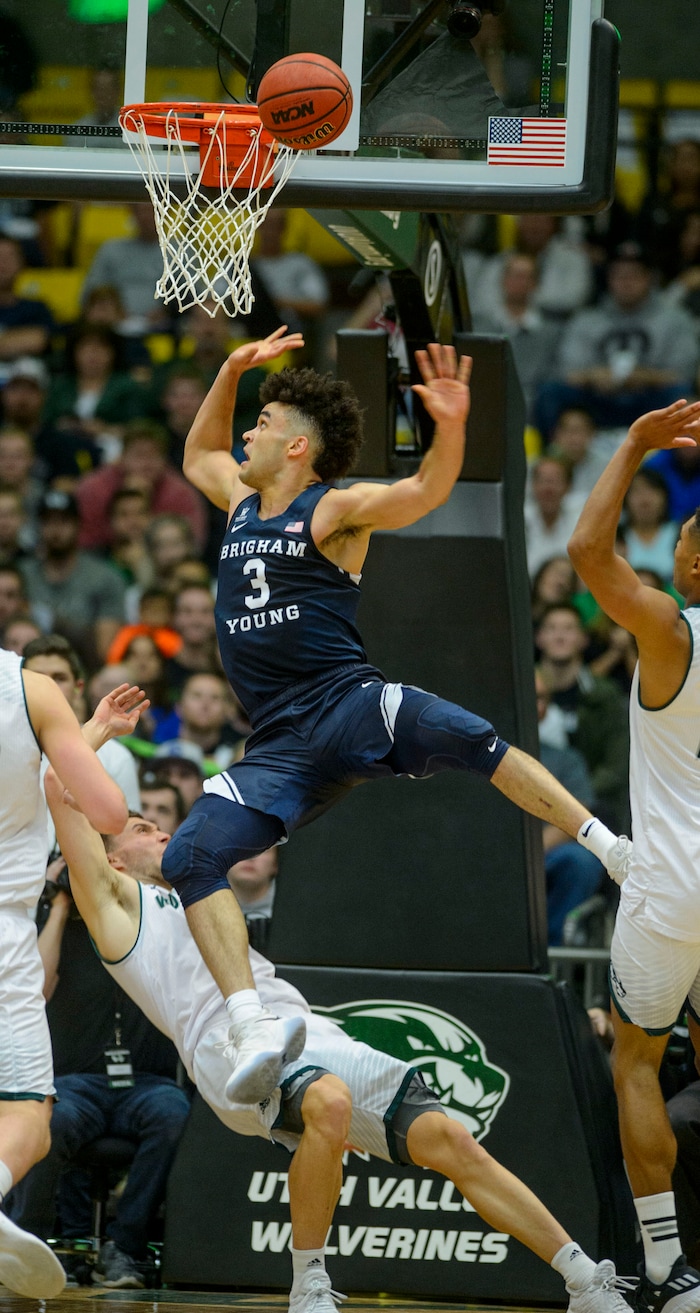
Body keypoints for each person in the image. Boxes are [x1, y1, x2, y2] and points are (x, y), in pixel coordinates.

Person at [162, 329, 632, 1104]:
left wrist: (449, 429)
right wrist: (230, 369)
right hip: (277, 741)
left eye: (264, 420)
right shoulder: (241, 501)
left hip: (347, 704)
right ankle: (251, 1022)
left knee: (476, 740)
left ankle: (613, 851)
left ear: (299, 446)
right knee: (189, 855)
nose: (248, 429)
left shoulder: (333, 510)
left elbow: (422, 494)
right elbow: (196, 453)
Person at [45, 765, 632, 1313]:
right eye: (145, 830)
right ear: (115, 862)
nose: (162, 832)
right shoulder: (121, 910)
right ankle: (309, 1282)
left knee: (453, 1140)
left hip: (305, 1029)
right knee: (329, 1103)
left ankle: (582, 1278)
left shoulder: (198, 884)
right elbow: (59, 792)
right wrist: (91, 740)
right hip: (226, 1045)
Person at [567, 394, 700, 1313]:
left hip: (671, 890)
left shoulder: (671, 629)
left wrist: (634, 446)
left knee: (639, 1064)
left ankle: (666, 1268)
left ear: (689, 560)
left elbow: (584, 555)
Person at [0, 643, 127, 1297]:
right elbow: (106, 813)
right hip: (4, 931)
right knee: (27, 1114)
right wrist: (94, 732)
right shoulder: (32, 690)